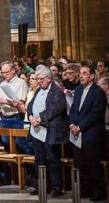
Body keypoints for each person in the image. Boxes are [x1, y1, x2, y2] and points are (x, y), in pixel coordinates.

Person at [27, 66, 68, 197]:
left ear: (49, 79)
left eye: (40, 79)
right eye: (37, 78)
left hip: (50, 130)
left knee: (53, 159)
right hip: (36, 130)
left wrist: (40, 118)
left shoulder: (57, 91)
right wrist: (30, 117)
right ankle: (41, 185)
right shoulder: (38, 90)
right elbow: (30, 105)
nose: (38, 81)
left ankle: (56, 187)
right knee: (39, 159)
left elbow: (56, 108)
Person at [68, 65, 107, 201]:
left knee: (92, 164)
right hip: (77, 133)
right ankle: (85, 189)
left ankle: (98, 191)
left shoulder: (98, 92)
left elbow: (95, 114)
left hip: (91, 133)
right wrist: (72, 124)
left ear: (92, 76)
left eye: (84, 73)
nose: (81, 76)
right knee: (80, 163)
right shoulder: (78, 90)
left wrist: (80, 127)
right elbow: (73, 109)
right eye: (80, 73)